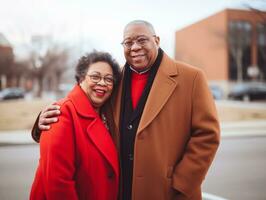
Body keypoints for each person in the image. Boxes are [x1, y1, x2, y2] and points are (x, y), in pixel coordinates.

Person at [32, 20, 220, 200]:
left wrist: (182, 183)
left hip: (167, 192)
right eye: (128, 42)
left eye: (142, 40)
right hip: (121, 191)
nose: (135, 47)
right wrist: (42, 123)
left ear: (157, 40)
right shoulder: (113, 80)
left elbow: (207, 135)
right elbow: (84, 112)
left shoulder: (191, 78)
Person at [30, 51, 121, 200]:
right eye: (95, 77)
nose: (102, 83)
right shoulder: (61, 113)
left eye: (109, 79)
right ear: (81, 79)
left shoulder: (108, 113)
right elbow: (58, 184)